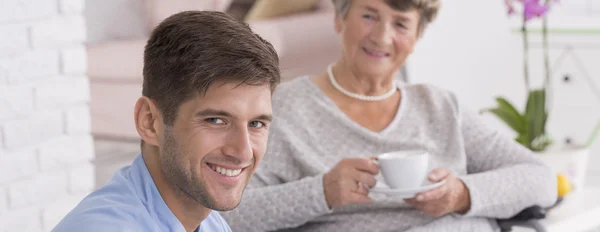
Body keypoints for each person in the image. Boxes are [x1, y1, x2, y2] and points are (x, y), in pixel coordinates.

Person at [220, 0, 557, 231]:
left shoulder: (439, 106)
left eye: (400, 23)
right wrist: (321, 192)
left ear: (416, 36)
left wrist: (461, 195)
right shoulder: (285, 109)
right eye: (369, 15)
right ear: (339, 18)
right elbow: (227, 216)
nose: (381, 37)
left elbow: (541, 179)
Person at [52, 11, 280, 232]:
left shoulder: (211, 224)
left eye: (256, 124)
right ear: (149, 121)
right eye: (216, 120)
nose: (243, 152)